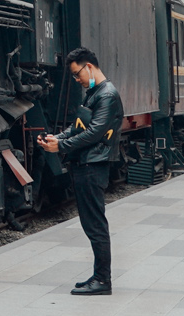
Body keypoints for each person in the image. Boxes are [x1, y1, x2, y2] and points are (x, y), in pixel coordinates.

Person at [40, 46, 123, 296]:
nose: (77, 79)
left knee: (95, 225)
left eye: (78, 74)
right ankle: (99, 276)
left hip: (92, 166)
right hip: (85, 165)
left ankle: (103, 280)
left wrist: (61, 146)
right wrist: (57, 138)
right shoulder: (95, 93)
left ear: (89, 66)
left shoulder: (107, 95)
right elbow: (79, 127)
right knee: (91, 224)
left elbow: (94, 132)